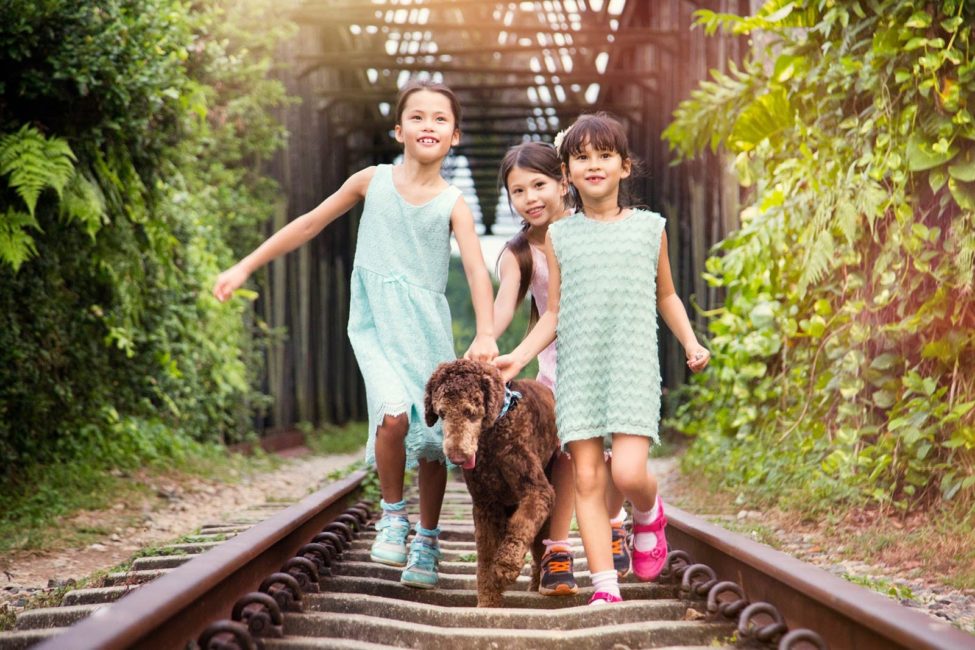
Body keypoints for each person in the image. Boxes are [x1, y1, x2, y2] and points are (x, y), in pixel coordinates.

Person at [213, 80, 498, 590]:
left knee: (432, 442)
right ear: (399, 130)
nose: (428, 125)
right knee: (392, 415)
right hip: (376, 326)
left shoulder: (453, 203)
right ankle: (393, 515)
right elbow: (308, 224)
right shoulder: (371, 180)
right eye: (417, 116)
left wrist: (486, 332)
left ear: (455, 135)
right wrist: (245, 266)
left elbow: (477, 270)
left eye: (440, 119)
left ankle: (427, 541)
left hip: (426, 330)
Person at [494, 113, 710, 605]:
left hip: (632, 367)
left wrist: (690, 342)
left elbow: (667, 295)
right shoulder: (560, 237)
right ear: (567, 173)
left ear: (624, 167)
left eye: (605, 155)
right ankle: (605, 586)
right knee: (588, 478)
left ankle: (648, 511)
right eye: (581, 157)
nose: (594, 164)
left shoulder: (649, 228)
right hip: (579, 373)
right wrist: (517, 358)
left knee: (627, 473)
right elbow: (553, 313)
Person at [492, 142, 631, 596]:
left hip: (610, 355)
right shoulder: (519, 252)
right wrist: (486, 339)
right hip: (559, 363)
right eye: (518, 191)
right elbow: (504, 305)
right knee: (569, 453)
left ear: (563, 183)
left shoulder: (595, 227)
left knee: (619, 455)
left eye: (539, 185)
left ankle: (614, 519)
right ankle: (556, 550)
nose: (530, 198)